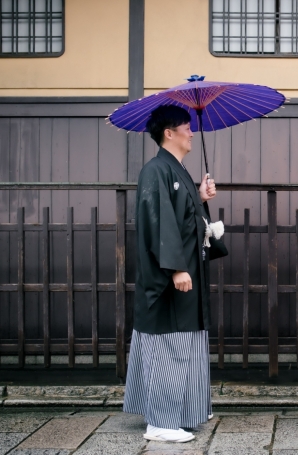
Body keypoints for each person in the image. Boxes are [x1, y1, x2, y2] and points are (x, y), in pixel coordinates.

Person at [123, 105, 222, 443]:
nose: (191, 132)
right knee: (168, 344)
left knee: (185, 343)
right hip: (169, 276)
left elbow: (182, 217)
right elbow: (159, 221)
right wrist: (177, 267)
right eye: (186, 127)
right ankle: (160, 422)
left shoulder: (175, 169)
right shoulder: (156, 170)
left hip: (186, 272)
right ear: (169, 133)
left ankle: (180, 414)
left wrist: (199, 196)